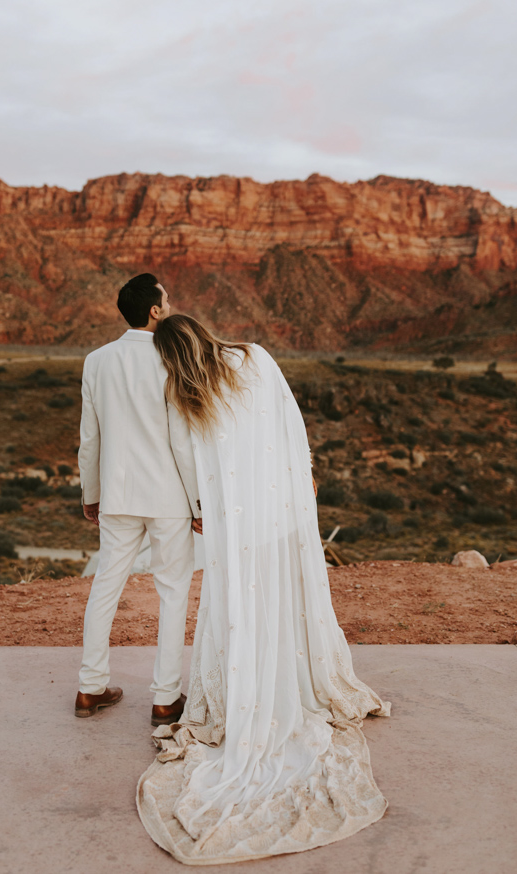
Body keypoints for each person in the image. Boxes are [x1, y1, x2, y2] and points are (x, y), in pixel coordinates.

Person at [137, 315, 390, 865]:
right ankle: (301, 678)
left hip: (236, 524)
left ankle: (247, 685)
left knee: (241, 603)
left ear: (169, 358)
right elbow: (289, 425)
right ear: (204, 333)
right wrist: (305, 482)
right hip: (279, 511)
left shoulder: (182, 395)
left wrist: (201, 511)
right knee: (287, 596)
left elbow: (188, 464)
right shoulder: (254, 357)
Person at [76, 275, 200, 725]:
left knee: (106, 584)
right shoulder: (170, 358)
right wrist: (199, 503)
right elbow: (183, 440)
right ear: (154, 310)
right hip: (167, 496)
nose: (169, 303)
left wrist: (92, 493)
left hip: (117, 495)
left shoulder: (96, 361)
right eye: (166, 298)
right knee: (172, 593)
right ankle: (165, 698)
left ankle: (90, 689)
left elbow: (90, 436)